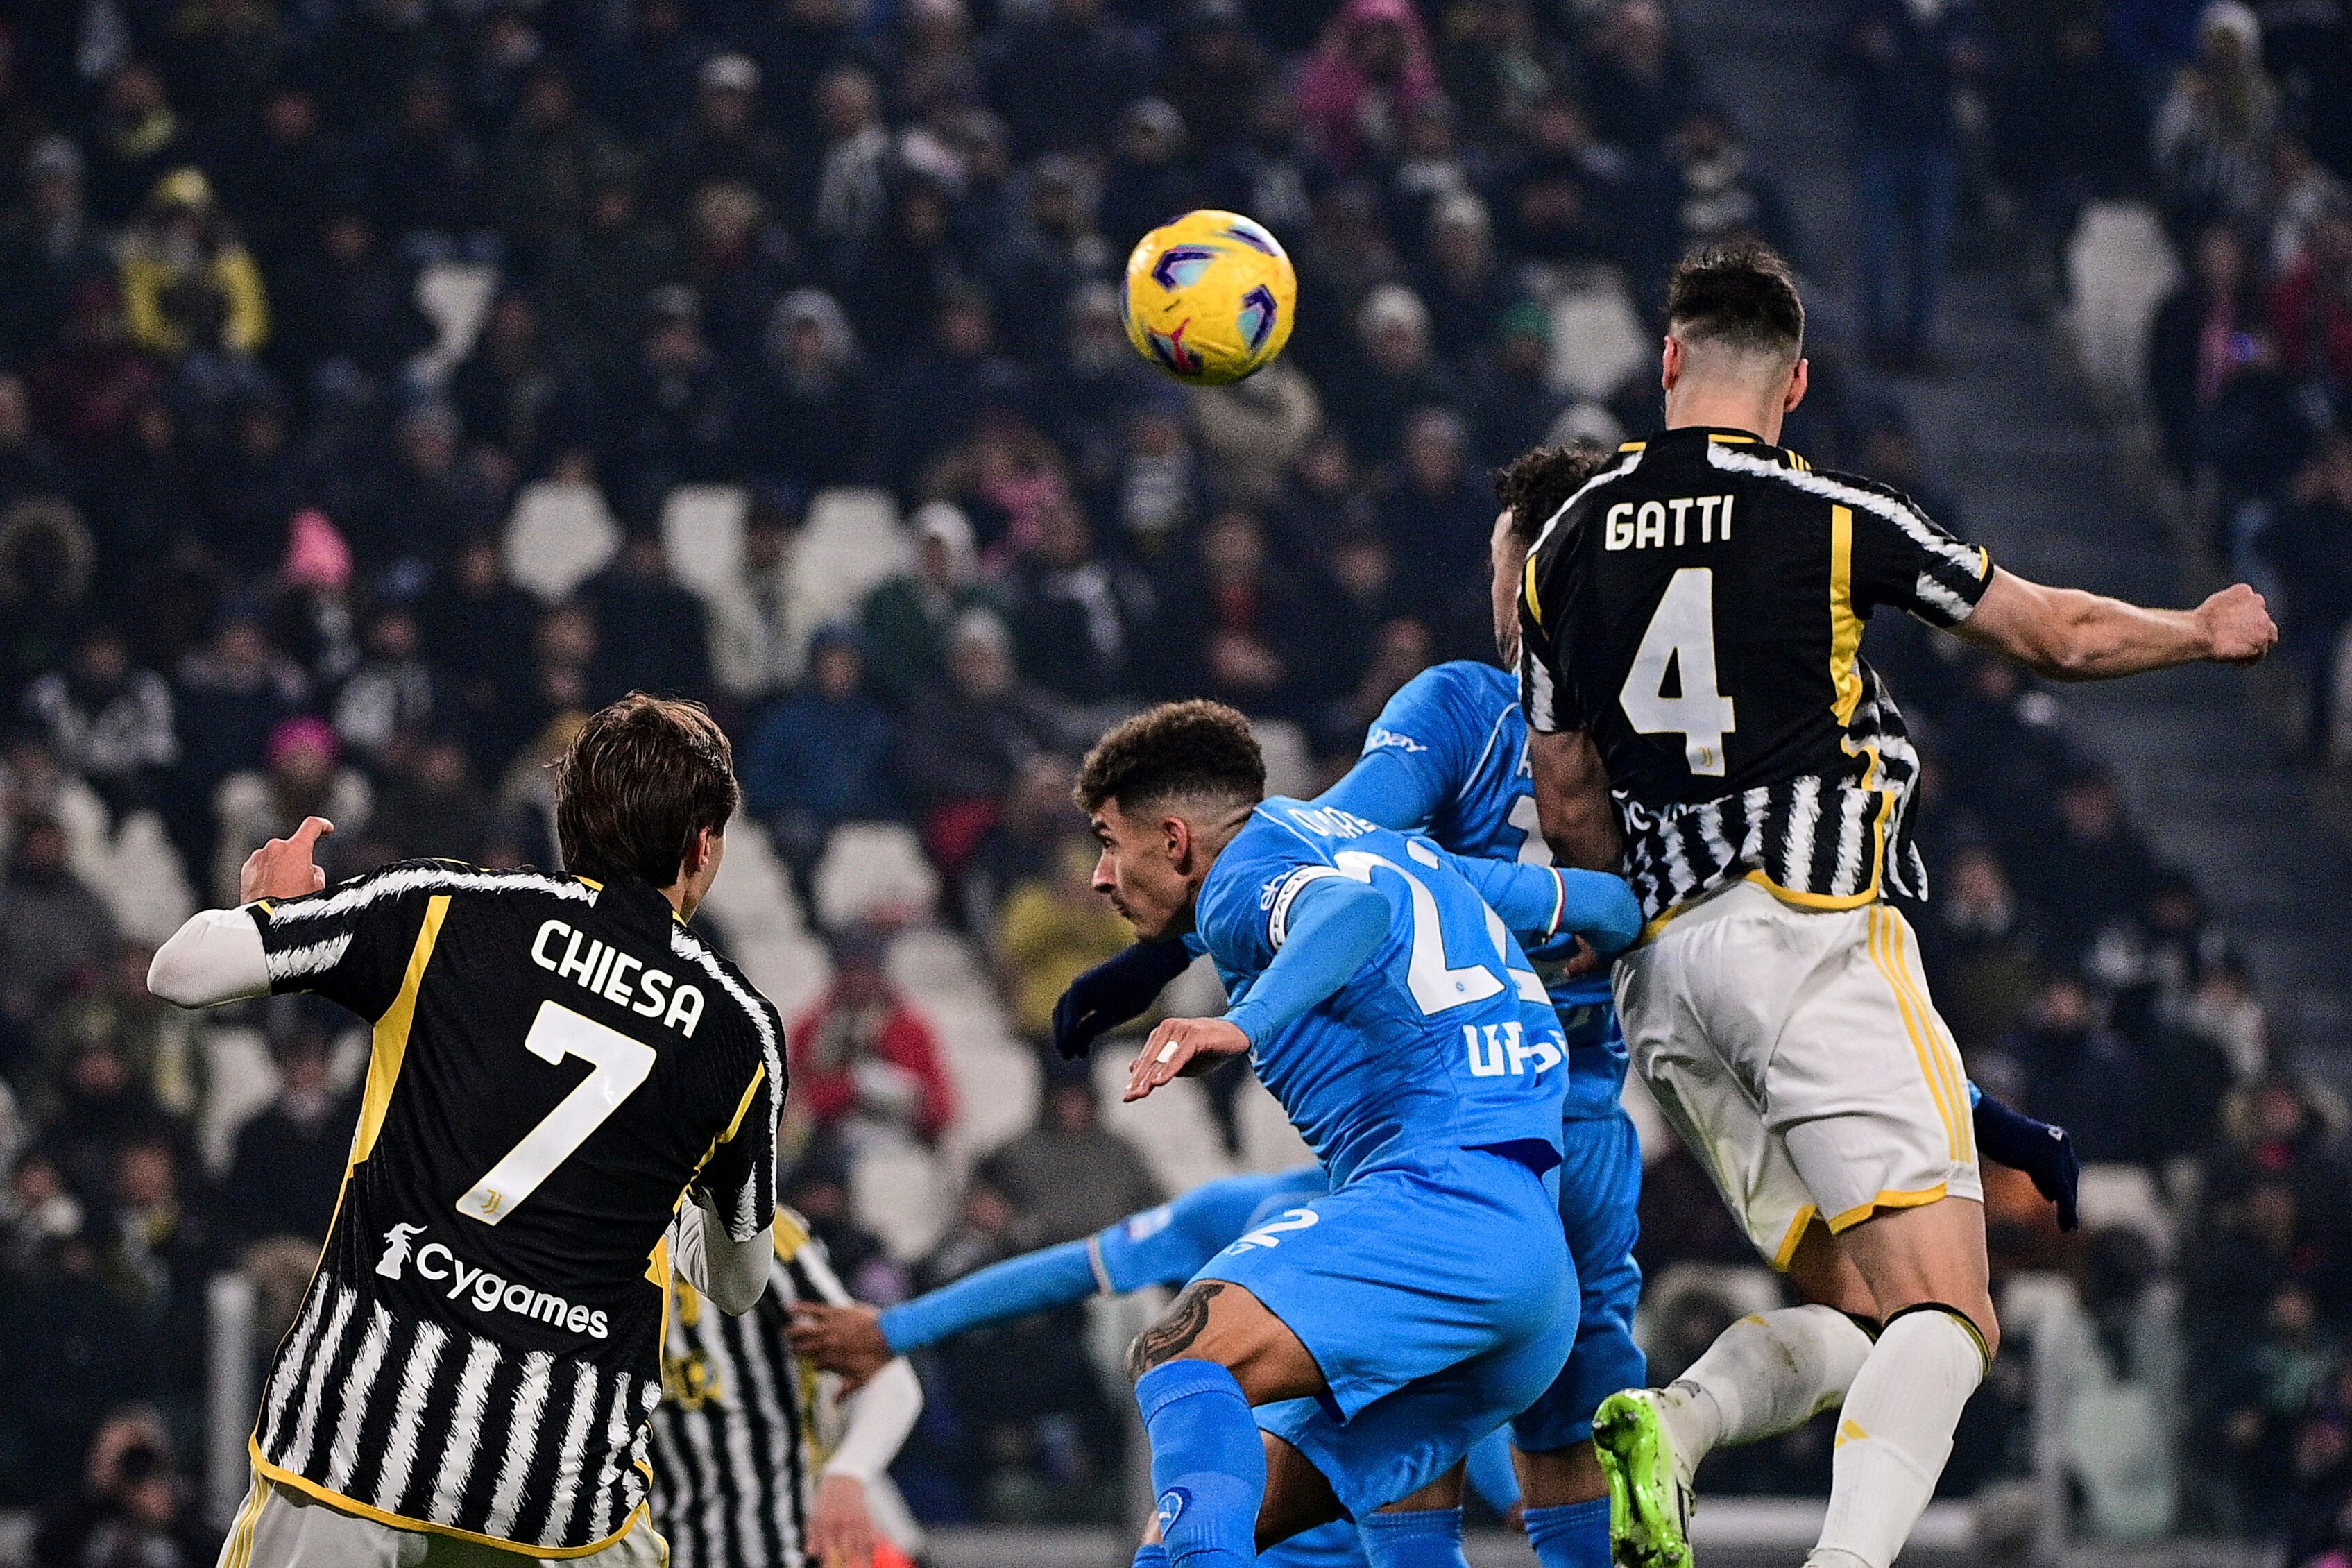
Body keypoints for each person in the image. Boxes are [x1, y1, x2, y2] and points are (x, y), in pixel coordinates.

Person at [1515, 240, 2276, 1568]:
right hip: (1810, 932)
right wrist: (2196, 629)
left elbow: (1567, 793)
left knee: (1872, 1317)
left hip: (1665, 981)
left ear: (1670, 363)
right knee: (1956, 1320)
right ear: (1797, 386)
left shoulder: (1567, 538)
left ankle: (1679, 1426)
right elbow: (2055, 636)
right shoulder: (1836, 519)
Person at [145, 693, 788, 1565]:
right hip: (556, 1486)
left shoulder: (443, 907)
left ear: (568, 825)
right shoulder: (736, 1031)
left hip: (358, 1436)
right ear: (704, 846)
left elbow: (179, 973)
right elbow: (739, 1280)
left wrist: (264, 909)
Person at [1074, 699, 1641, 1567]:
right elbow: (1609, 902)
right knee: (1200, 1529)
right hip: (1532, 1280)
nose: (1100, 877)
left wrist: (1243, 1023)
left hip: (1436, 1209)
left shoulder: (1236, 883)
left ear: (1177, 839)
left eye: (1111, 842)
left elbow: (1344, 917)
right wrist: (1604, 938)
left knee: (1175, 1349)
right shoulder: (1413, 855)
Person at [789, 1165, 1522, 1568]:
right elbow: (1073, 1268)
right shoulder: (1260, 1206)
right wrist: (898, 1326)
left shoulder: (1428, 1235)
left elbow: (1472, 1402)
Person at [648, 1200, 924, 1568]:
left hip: (781, 1548)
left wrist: (848, 1474)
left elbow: (889, 1377)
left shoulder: (757, 1230)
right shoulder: (575, 1238)